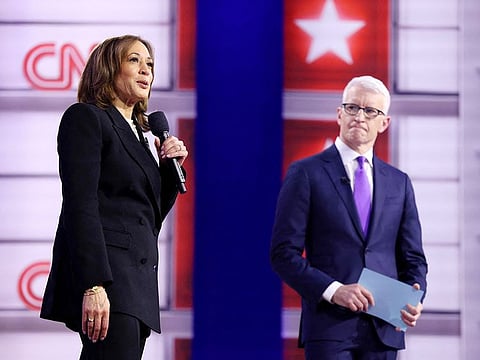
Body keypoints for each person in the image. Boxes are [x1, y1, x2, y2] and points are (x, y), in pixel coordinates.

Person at [40, 34, 188, 360]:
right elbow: (81, 205)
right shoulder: (87, 118)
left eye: (149, 63)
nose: (145, 70)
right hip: (109, 281)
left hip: (138, 288)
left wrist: (166, 171)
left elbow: (147, 218)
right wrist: (94, 285)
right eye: (134, 60)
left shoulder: (142, 138)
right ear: (109, 67)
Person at [270, 75, 427, 360]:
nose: (360, 116)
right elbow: (283, 254)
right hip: (330, 327)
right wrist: (334, 290)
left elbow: (414, 258)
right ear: (339, 114)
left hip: (384, 328)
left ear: (385, 123)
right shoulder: (306, 173)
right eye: (352, 108)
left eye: (371, 111)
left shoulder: (399, 183)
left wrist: (416, 296)